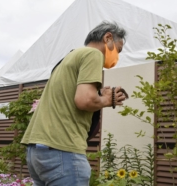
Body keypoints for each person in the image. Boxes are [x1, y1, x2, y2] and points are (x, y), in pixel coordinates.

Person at [21, 21, 127, 186]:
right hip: (62, 150)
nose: (117, 56)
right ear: (108, 37)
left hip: (36, 151)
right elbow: (85, 100)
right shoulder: (93, 54)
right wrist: (107, 100)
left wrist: (99, 96)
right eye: (118, 50)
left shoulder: (67, 59)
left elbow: (73, 98)